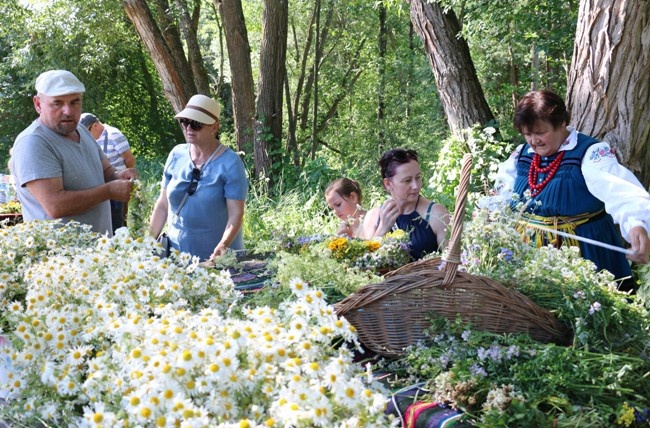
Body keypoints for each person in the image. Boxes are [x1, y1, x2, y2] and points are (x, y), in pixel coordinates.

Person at [493, 90, 650, 288]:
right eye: (528, 134)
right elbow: (502, 194)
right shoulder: (522, 155)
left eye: (541, 132)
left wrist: (637, 224)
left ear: (561, 123)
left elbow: (620, 191)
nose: (534, 141)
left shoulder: (591, 153)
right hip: (528, 252)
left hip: (584, 252)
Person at [10, 70, 137, 236]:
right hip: (59, 257)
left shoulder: (82, 131)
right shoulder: (33, 142)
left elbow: (106, 171)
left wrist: (119, 176)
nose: (68, 111)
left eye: (74, 102)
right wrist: (109, 191)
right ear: (38, 104)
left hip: (98, 253)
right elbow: (55, 206)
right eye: (57, 103)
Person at [149, 94, 248, 261]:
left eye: (196, 124)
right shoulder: (176, 154)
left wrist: (223, 244)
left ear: (214, 127)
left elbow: (236, 213)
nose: (188, 128)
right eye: (185, 122)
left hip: (216, 259)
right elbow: (163, 204)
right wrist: (148, 240)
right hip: (176, 255)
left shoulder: (231, 163)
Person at [362, 148, 449, 260]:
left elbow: (453, 263)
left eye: (418, 178)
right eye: (407, 180)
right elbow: (366, 265)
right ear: (388, 184)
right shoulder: (373, 218)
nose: (416, 186)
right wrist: (382, 229)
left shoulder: (436, 214)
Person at [80, 113, 136, 232]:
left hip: (119, 183)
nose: (86, 135)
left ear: (95, 126)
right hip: (103, 184)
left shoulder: (113, 134)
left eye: (87, 131)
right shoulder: (91, 139)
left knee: (118, 219)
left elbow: (129, 159)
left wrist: (127, 180)